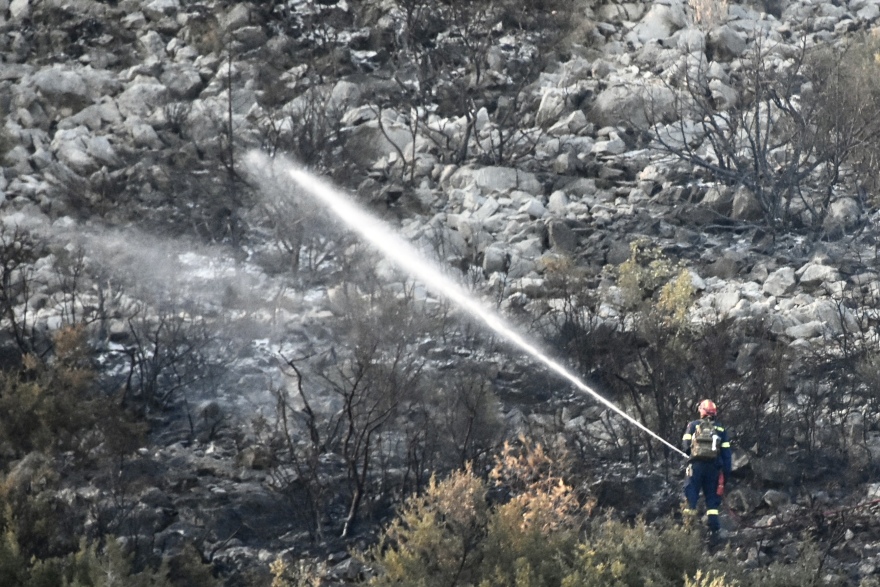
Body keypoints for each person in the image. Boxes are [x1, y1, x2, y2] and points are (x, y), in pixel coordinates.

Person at [681, 399, 732, 534]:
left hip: (695, 467)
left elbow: (685, 446)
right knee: (712, 501)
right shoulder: (721, 429)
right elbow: (726, 455)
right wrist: (725, 476)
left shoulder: (692, 425)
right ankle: (714, 532)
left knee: (691, 496)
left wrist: (691, 454)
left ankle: (688, 529)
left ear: (701, 411)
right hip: (713, 469)